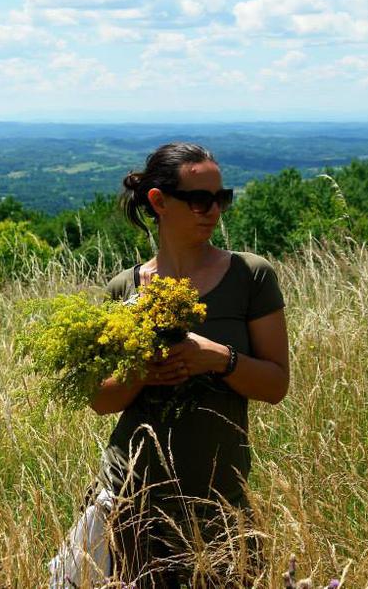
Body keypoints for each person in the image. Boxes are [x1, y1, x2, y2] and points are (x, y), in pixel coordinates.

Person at [91, 142, 290, 587]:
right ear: (159, 202)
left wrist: (218, 358)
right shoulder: (124, 288)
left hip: (219, 504)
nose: (214, 210)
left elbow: (276, 385)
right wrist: (142, 371)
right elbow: (101, 401)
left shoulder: (250, 276)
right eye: (200, 199)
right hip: (130, 500)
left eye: (222, 198)